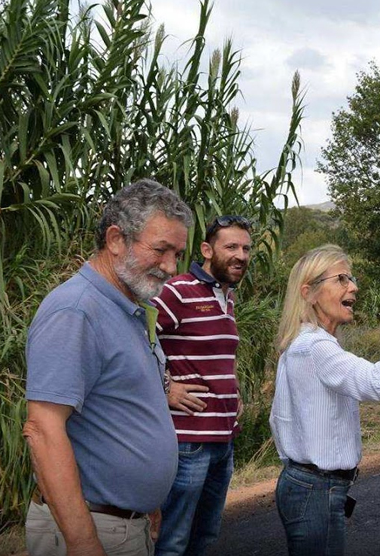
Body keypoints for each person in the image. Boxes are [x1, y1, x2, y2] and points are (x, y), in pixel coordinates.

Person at [23, 179, 192, 556]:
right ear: (116, 240)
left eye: (177, 254)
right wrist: (83, 543)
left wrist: (146, 503)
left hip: (123, 524)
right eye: (161, 250)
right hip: (90, 530)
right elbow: (42, 429)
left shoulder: (128, 307)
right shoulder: (76, 311)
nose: (170, 267)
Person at [270, 244, 380, 555]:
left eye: (351, 278)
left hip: (308, 485)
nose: (354, 287)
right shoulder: (316, 348)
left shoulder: (302, 342)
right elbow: (376, 382)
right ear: (309, 292)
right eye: (341, 279)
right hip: (316, 489)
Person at [152, 215, 254, 556]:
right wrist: (166, 388)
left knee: (205, 535)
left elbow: (218, 355)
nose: (241, 255)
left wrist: (233, 389)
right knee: (173, 540)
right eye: (232, 247)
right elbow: (135, 337)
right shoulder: (178, 291)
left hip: (223, 441)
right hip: (188, 443)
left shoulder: (228, 297)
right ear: (207, 250)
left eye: (246, 248)